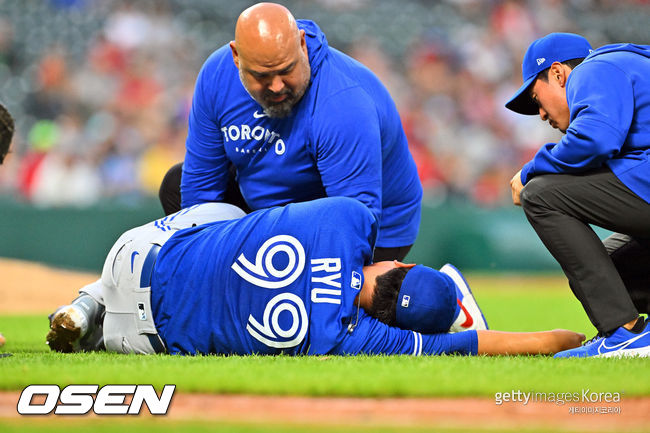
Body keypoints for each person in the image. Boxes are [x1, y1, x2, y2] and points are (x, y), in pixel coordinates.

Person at [47, 197, 584, 357]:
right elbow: (527, 341)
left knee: (230, 216)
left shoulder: (349, 218)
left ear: (404, 264)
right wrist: (576, 342)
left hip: (134, 254)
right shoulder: (357, 338)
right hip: (138, 340)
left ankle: (87, 299)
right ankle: (93, 320)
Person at [158, 2, 423, 262]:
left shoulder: (342, 103)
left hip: (369, 229)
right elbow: (200, 189)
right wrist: (202, 268)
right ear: (236, 57)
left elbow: (356, 225)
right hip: (271, 213)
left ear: (302, 45)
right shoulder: (217, 75)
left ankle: (404, 293)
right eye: (262, 76)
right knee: (175, 186)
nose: (276, 86)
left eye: (286, 71)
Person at [505, 33, 650, 358]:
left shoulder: (593, 69)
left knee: (541, 194)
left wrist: (530, 170)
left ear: (558, 73)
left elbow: (595, 140)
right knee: (611, 271)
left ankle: (624, 335)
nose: (541, 114)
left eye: (536, 98)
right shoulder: (628, 67)